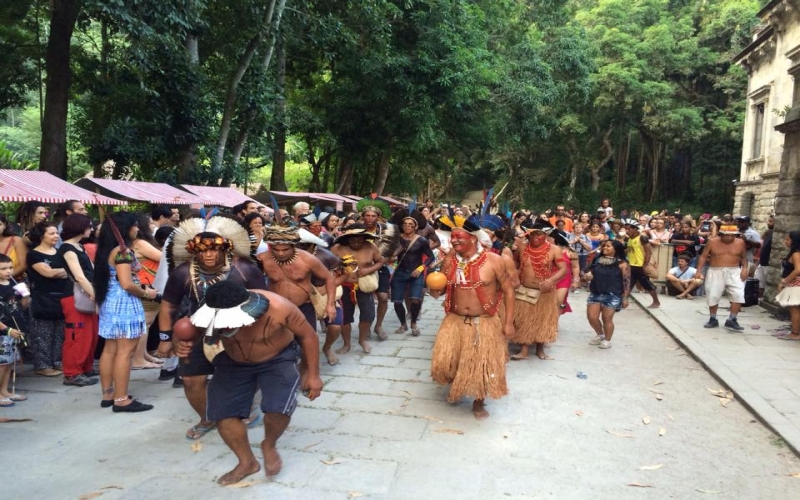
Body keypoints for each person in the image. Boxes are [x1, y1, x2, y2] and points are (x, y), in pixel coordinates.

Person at [179, 281, 322, 484]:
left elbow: (308, 336)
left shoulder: (280, 308)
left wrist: (313, 374)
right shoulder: (207, 312)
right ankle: (247, 462)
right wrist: (181, 344)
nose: (227, 327)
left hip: (278, 358)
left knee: (278, 408)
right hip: (233, 361)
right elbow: (191, 334)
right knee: (223, 413)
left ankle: (269, 444)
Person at [159, 216, 266, 437]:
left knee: (242, 376)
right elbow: (169, 305)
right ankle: (207, 417)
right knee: (190, 380)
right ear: (193, 250)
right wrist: (165, 338)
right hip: (197, 332)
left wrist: (262, 335)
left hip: (239, 333)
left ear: (225, 249)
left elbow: (264, 302)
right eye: (203, 250)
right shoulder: (182, 273)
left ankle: (245, 407)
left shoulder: (245, 269)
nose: (209, 254)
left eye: (214, 249)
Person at [429, 216, 515, 420]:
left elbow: (509, 291)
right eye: (453, 238)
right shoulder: (450, 259)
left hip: (483, 321)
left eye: (459, 237)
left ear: (474, 238)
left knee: (481, 364)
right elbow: (442, 288)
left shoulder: (494, 260)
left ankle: (478, 401)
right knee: (449, 361)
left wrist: (509, 322)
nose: (454, 241)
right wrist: (434, 289)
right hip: (454, 320)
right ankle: (456, 387)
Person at [94, 212, 158, 412]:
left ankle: (108, 395)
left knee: (110, 350)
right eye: (135, 226)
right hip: (124, 304)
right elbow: (127, 284)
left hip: (109, 304)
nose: (137, 229)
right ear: (126, 228)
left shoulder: (106, 250)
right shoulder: (122, 252)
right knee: (125, 352)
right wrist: (148, 294)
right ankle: (121, 399)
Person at [257, 225, 337, 328]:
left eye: (285, 250)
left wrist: (330, 305)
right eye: (276, 250)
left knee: (308, 341)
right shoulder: (262, 259)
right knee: (281, 342)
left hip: (304, 307)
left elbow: (329, 278)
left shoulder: (307, 259)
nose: (280, 253)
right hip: (276, 308)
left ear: (293, 246)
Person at [510, 219, 566, 360]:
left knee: (543, 321)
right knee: (524, 320)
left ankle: (540, 350)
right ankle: (524, 350)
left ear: (546, 235)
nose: (535, 237)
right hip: (524, 289)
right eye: (532, 234)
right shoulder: (522, 247)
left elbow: (563, 269)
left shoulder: (554, 250)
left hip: (544, 292)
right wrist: (515, 274)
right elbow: (515, 262)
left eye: (539, 234)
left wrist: (551, 280)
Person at [58, 214, 100, 386]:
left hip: (85, 293)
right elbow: (79, 277)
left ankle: (85, 366)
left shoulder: (79, 246)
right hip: (75, 295)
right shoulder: (68, 248)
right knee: (77, 334)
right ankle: (72, 372)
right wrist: (96, 296)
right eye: (88, 226)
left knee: (90, 334)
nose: (91, 228)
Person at [329, 226, 385, 354]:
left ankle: (362, 340)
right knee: (345, 316)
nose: (356, 243)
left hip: (364, 285)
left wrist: (368, 270)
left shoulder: (371, 247)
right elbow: (328, 265)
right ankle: (346, 344)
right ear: (347, 240)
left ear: (364, 239)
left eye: (359, 240)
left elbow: (380, 262)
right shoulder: (337, 249)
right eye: (353, 240)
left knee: (368, 314)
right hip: (344, 286)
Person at [296, 228, 346, 366]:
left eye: (304, 246)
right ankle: (305, 358)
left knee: (335, 327)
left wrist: (329, 286)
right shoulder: (290, 257)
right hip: (303, 298)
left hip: (326, 295)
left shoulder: (326, 256)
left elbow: (344, 273)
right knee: (307, 332)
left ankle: (327, 348)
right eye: (297, 245)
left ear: (313, 245)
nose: (300, 248)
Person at [27, 222, 70, 377]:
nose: (56, 236)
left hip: (62, 296)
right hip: (43, 297)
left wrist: (61, 271)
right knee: (42, 333)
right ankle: (43, 365)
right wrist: (67, 270)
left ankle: (58, 361)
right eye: (51, 233)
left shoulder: (59, 252)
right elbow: (48, 273)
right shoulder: (33, 254)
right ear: (41, 236)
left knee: (60, 332)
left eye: (56, 233)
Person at [355, 198, 397, 340]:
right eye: (367, 215)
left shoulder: (388, 230)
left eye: (373, 216)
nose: (370, 218)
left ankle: (378, 325)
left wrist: (390, 255)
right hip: (362, 267)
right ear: (363, 216)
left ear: (378, 217)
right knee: (364, 299)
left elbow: (399, 246)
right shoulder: (356, 230)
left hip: (381, 266)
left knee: (383, 297)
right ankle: (366, 325)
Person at [389, 209, 435, 336]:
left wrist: (421, 268)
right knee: (397, 301)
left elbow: (431, 257)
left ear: (416, 227)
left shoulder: (421, 241)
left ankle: (413, 323)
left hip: (416, 273)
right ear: (402, 226)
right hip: (400, 272)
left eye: (410, 224)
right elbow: (389, 253)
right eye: (405, 224)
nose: (407, 226)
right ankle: (403, 324)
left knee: (415, 299)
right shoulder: (397, 239)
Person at [695, 223, 748, 331]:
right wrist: (698, 271)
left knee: (738, 294)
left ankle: (732, 319)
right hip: (715, 271)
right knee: (713, 295)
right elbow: (704, 256)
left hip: (734, 271)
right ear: (721, 234)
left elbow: (743, 257)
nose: (729, 237)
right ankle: (713, 318)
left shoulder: (740, 242)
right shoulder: (712, 242)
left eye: (732, 235)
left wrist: (745, 269)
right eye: (726, 235)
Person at [130, 214, 164, 370]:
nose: (153, 225)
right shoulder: (140, 243)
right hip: (147, 286)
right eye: (150, 223)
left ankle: (143, 354)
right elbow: (163, 258)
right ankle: (138, 359)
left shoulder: (139, 242)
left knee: (146, 324)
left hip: (149, 285)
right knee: (145, 323)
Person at [583, 240, 630, 349]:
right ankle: (600, 335)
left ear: (616, 249)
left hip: (613, 295)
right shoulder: (597, 260)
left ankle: (607, 340)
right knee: (592, 317)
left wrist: (625, 298)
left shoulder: (622, 263)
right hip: (596, 292)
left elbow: (626, 281)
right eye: (604, 246)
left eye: (608, 246)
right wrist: (585, 277)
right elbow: (584, 272)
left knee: (607, 319)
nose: (604, 248)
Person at [0, 253, 29, 406]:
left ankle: (4, 390)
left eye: (10, 267)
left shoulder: (12, 284)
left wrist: (25, 295)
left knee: (9, 362)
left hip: (14, 327)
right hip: (3, 330)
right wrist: (7, 330)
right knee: (1, 363)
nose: (8, 271)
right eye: (3, 268)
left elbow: (22, 306)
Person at [623, 220, 660, 308]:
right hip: (631, 265)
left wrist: (645, 265)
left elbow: (648, 252)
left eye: (629, 229)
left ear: (635, 229)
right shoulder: (628, 239)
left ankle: (656, 301)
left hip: (640, 266)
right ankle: (624, 301)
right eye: (626, 229)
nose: (627, 231)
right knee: (628, 284)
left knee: (647, 284)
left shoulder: (642, 238)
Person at [775, 231, 800, 340]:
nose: (785, 241)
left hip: (795, 284)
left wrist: (785, 281)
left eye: (787, 239)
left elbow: (798, 270)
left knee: (794, 309)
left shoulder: (796, 254)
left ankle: (795, 333)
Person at [0, 213, 27, 279]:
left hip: (13, 283)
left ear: (5, 225)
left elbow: (23, 265)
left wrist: (5, 278)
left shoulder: (16, 240)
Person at [755, 215, 774, 297]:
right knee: (758, 281)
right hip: (762, 262)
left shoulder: (775, 234)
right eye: (768, 221)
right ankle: (759, 298)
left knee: (766, 282)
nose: (768, 223)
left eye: (770, 221)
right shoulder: (768, 233)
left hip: (768, 263)